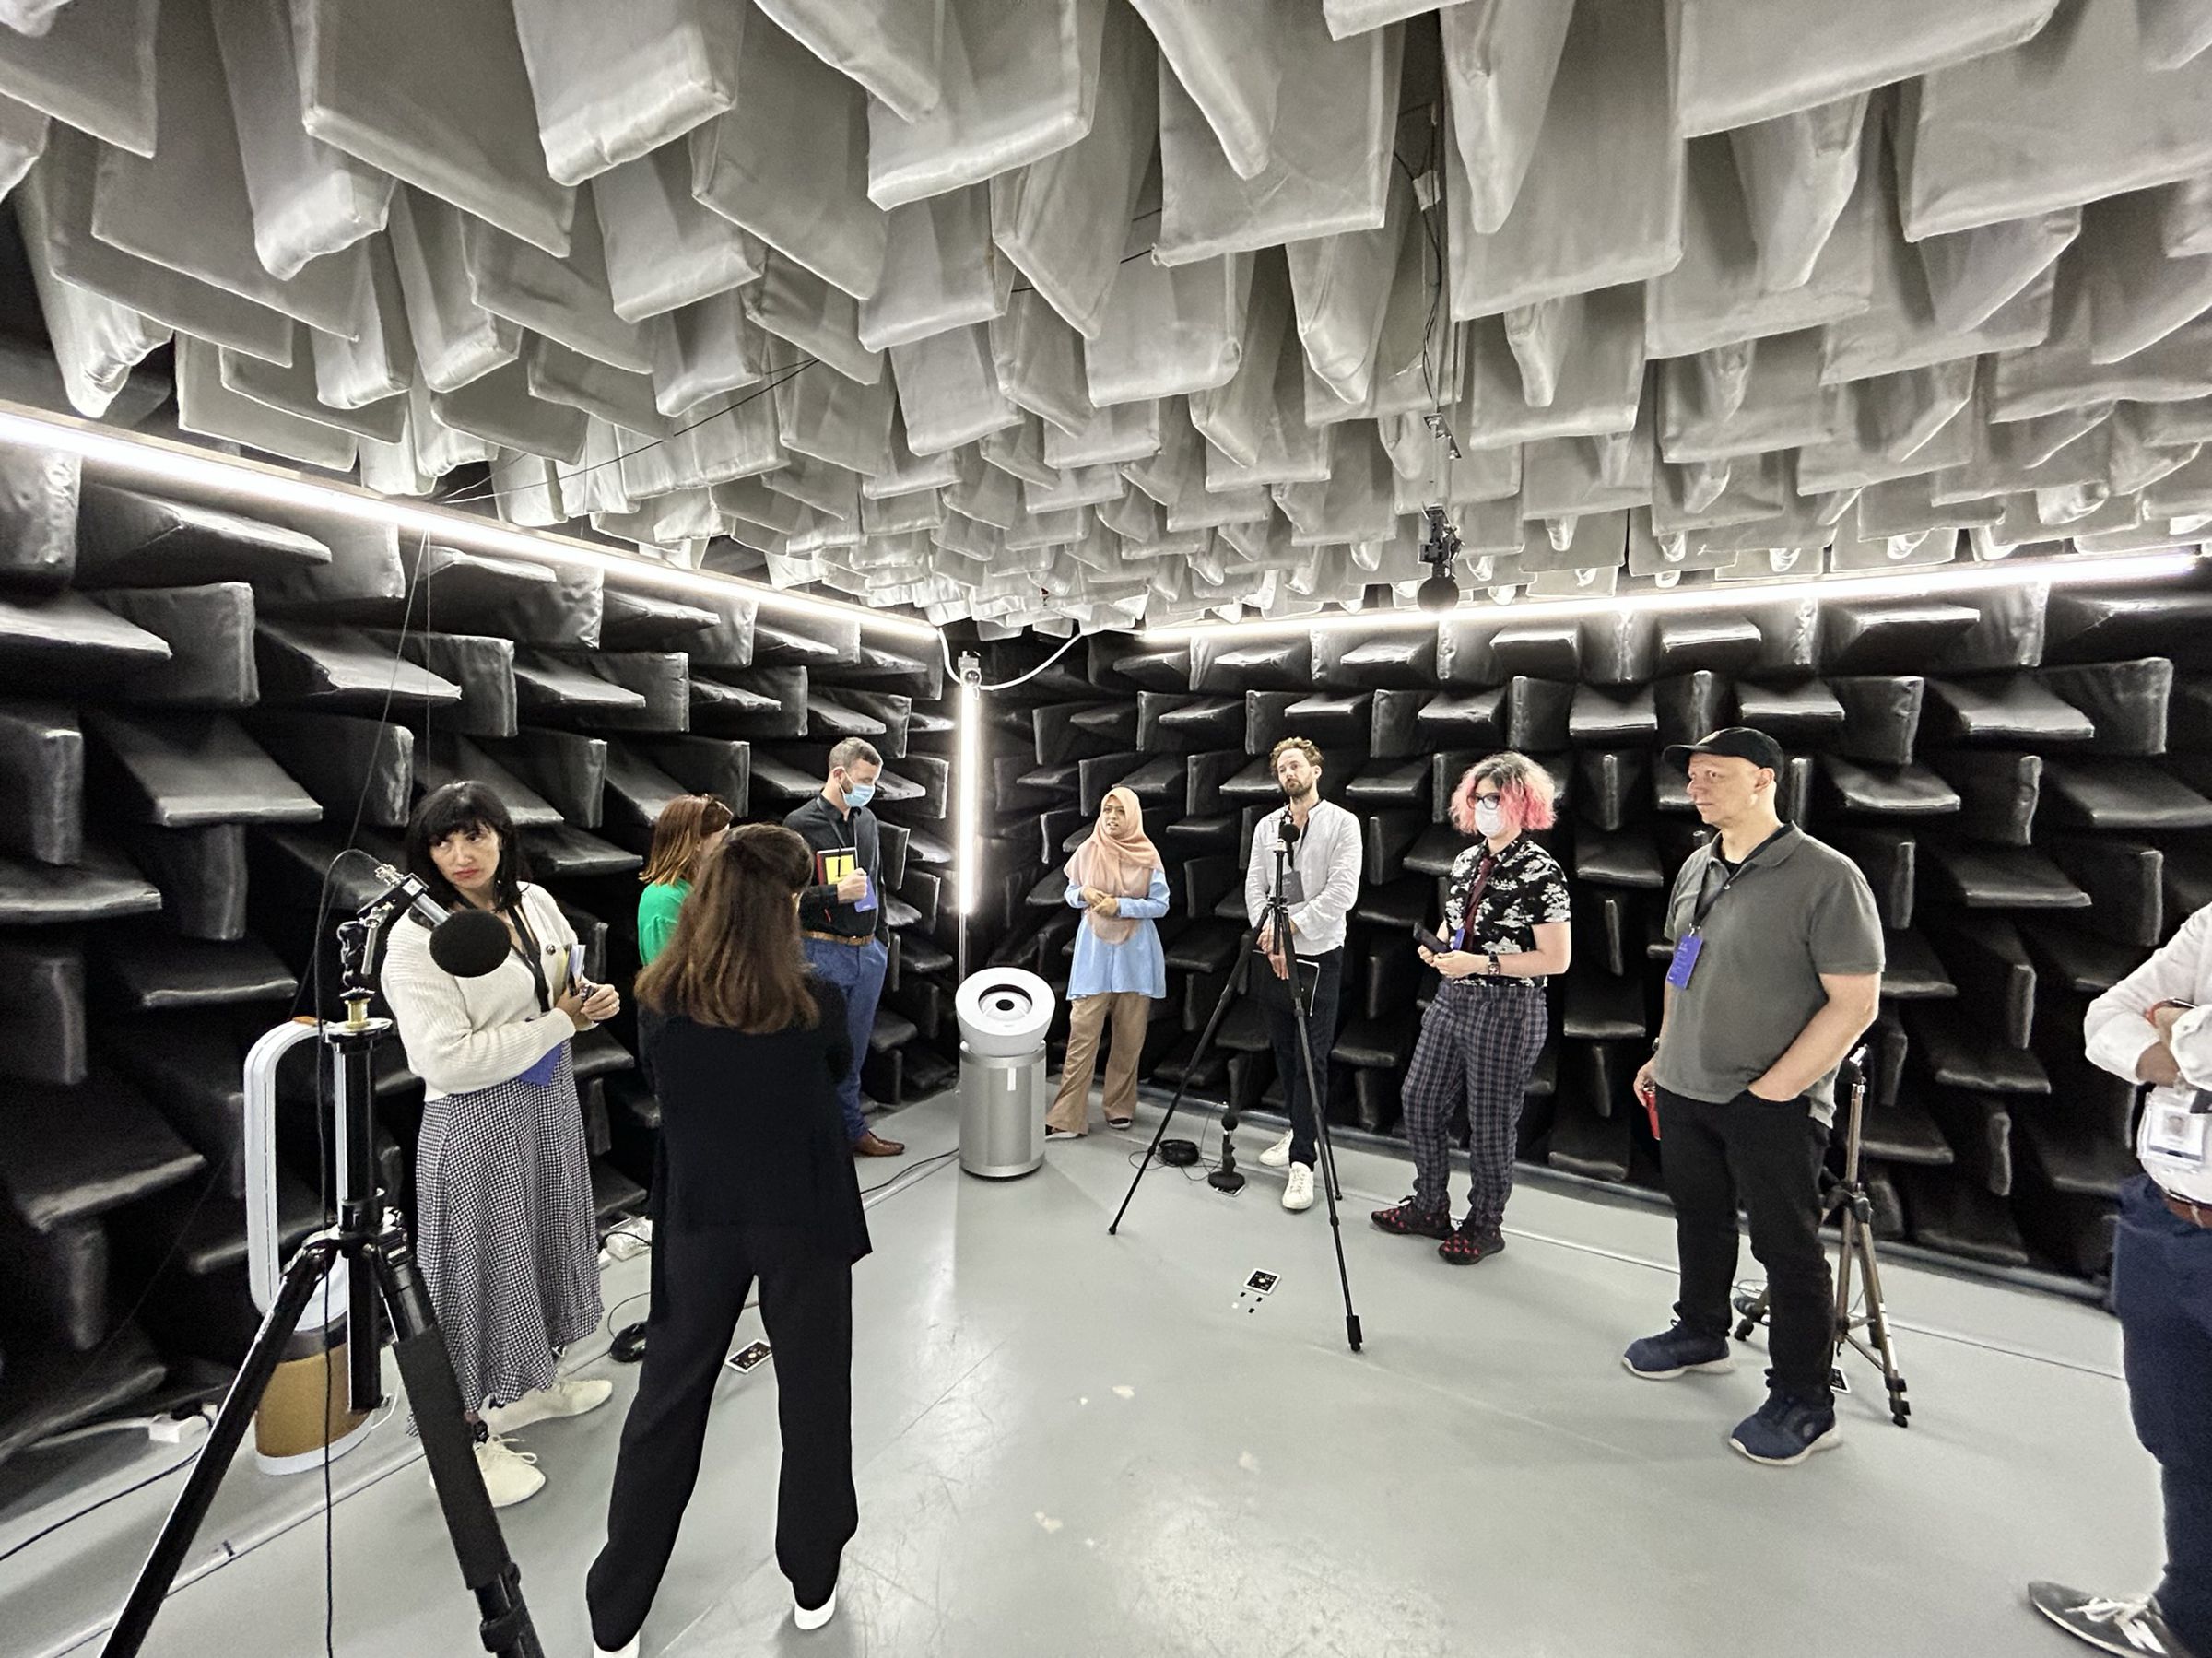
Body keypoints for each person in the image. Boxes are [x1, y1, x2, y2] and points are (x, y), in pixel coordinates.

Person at [586, 825, 867, 1657]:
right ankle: (812, 1578)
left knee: (667, 1402)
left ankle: (617, 1610)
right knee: (815, 1401)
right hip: (804, 1214)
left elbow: (671, 1085)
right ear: (779, 906)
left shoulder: (659, 1000)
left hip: (701, 1216)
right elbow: (835, 1067)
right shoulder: (817, 999)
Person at [1624, 726, 1883, 1467]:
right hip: (1685, 1082)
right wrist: (1663, 1050)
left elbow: (1855, 1001)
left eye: (1714, 774)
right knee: (1699, 1219)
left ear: (1765, 779)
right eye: (1692, 775)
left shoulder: (1826, 877)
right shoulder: (1699, 865)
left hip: (1771, 1100)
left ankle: (1806, 1399)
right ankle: (1701, 1329)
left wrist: (1776, 1090)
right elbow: (1683, 962)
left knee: (1786, 1248)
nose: (1696, 786)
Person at [379, 781, 618, 1508]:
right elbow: (443, 1058)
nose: (461, 853)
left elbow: (559, 982)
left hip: (545, 1102)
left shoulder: (532, 903)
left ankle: (533, 1384)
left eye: (475, 835)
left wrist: (589, 999)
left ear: (503, 836)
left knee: (546, 1241)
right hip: (476, 1120)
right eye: (443, 842)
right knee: (474, 1272)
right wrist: (559, 1027)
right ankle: (460, 1443)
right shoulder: (416, 940)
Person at [2028, 901, 2212, 1658]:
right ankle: (2188, 1615)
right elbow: (2107, 1016)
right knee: (2180, 1431)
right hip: (2165, 1213)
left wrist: (2176, 1019)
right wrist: (2179, 1033)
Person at [1373, 753, 1570, 1265]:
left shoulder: (1542, 872)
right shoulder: (1465, 861)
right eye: (1478, 797)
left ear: (1522, 803)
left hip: (1508, 1009)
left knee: (1490, 1123)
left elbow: (1557, 958)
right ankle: (1429, 1205)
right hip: (1452, 999)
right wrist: (1436, 946)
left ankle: (1485, 1224)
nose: (1485, 807)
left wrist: (1480, 963)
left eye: (1495, 798)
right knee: (1418, 1099)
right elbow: (1455, 922)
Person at [1244, 736, 1363, 1213]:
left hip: (1318, 956)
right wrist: (1270, 935)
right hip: (1274, 953)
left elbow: (1342, 893)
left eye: (1296, 765)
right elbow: (1257, 883)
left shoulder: (1343, 824)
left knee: (1312, 1059)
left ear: (1315, 769)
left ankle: (1303, 1163)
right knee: (1286, 1052)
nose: (1288, 774)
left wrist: (1290, 928)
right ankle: (1297, 1127)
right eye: (1281, 769)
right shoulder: (1268, 827)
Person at [785, 736, 903, 1158]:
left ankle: (852, 1130)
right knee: (819, 1050)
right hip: (821, 953)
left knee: (852, 1051)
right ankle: (812, 1140)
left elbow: (879, 882)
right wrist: (834, 893)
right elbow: (785, 898)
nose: (871, 788)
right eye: (865, 780)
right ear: (839, 775)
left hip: (868, 951)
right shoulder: (799, 825)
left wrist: (882, 940)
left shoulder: (868, 821)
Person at [1046, 786, 1171, 1138]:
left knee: (1129, 1040)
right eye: (1107, 811)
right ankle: (1067, 1117)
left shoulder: (1147, 855)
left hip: (1136, 959)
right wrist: (1083, 893)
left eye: (1119, 811)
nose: (1112, 818)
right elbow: (1070, 893)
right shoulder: (1088, 849)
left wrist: (1122, 906)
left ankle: (1119, 1106)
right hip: (1095, 958)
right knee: (1081, 1037)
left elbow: (1161, 905)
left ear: (1132, 816)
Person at [637, 794, 734, 968]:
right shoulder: (664, 899)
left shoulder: (705, 890)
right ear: (696, 841)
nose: (729, 845)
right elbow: (667, 976)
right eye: (723, 836)